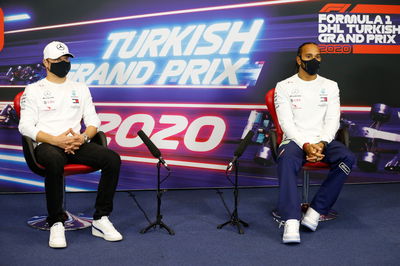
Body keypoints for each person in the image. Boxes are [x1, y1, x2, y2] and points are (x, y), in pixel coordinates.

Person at [18, 41, 123, 248]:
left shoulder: (80, 88)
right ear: (46, 63)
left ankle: (101, 219)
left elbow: (94, 122)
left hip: (77, 143)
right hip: (47, 144)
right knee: (55, 161)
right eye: (57, 60)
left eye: (66, 59)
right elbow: (25, 126)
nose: (63, 63)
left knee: (112, 159)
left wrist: (82, 138)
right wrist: (56, 139)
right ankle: (57, 221)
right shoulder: (33, 89)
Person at [274, 42, 355, 244]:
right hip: (294, 140)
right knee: (286, 161)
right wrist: (306, 145)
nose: (314, 60)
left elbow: (332, 120)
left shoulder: (330, 85)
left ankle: (315, 211)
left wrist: (321, 143)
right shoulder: (284, 86)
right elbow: (286, 123)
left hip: (323, 140)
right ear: (299, 60)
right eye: (309, 57)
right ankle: (291, 221)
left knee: (347, 158)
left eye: (317, 56)